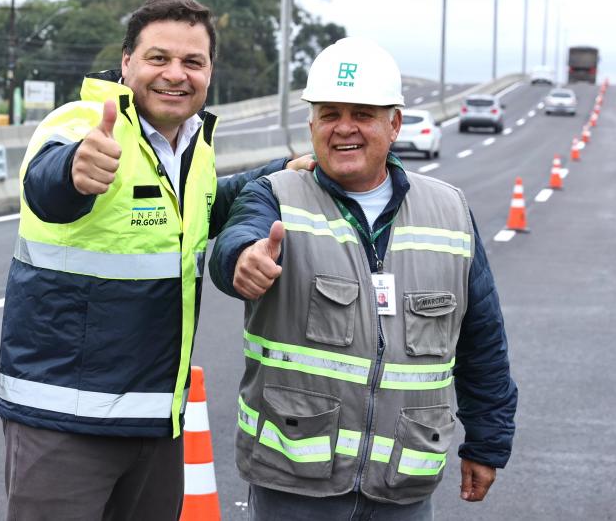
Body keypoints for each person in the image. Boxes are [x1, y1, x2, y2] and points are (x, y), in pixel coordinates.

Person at [0, 0, 313, 520]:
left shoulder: (193, 146)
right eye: (158, 58)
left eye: (193, 61)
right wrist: (75, 169)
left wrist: (281, 172)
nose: (176, 74)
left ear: (210, 71)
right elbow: (47, 184)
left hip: (157, 423)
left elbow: (200, 214)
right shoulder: (80, 123)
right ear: (127, 63)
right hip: (64, 421)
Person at [209, 37, 518, 520]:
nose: (344, 128)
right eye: (329, 114)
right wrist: (242, 261)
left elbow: (482, 338)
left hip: (404, 483)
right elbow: (237, 242)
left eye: (363, 114)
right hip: (295, 479)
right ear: (311, 124)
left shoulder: (450, 211)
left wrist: (488, 441)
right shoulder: (275, 194)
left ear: (393, 124)